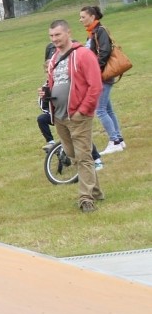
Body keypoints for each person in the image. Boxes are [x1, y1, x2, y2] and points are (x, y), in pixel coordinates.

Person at [40, 19, 103, 212]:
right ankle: (97, 191)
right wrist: (47, 93)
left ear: (68, 33)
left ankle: (86, 198)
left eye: (58, 35)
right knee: (74, 155)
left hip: (78, 116)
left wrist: (83, 110)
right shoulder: (53, 60)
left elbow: (96, 86)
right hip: (59, 116)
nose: (55, 39)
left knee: (83, 156)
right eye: (51, 36)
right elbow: (55, 84)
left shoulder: (83, 55)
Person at [38, 42, 103, 170]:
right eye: (46, 71)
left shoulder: (70, 74)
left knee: (81, 138)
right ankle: (53, 144)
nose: (48, 73)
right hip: (58, 115)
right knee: (42, 120)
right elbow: (44, 105)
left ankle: (96, 159)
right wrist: (44, 97)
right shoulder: (48, 83)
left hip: (74, 112)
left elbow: (93, 87)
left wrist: (81, 110)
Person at [79, 5, 125, 155]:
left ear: (92, 17)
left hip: (102, 76)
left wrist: (95, 71)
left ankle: (115, 141)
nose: (80, 20)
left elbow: (105, 52)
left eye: (83, 17)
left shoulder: (100, 31)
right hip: (101, 75)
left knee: (100, 109)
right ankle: (119, 139)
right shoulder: (92, 33)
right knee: (108, 109)